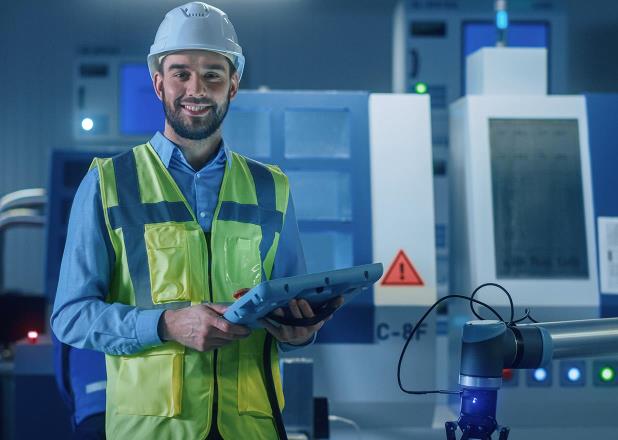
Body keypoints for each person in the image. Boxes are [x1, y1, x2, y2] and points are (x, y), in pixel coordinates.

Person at [51, 2, 340, 439]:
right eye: (181, 73)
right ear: (158, 83)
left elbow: (286, 302)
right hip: (153, 431)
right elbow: (71, 316)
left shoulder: (271, 187)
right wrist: (166, 324)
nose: (196, 88)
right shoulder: (109, 183)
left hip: (250, 426)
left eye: (212, 75)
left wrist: (299, 332)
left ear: (233, 85)